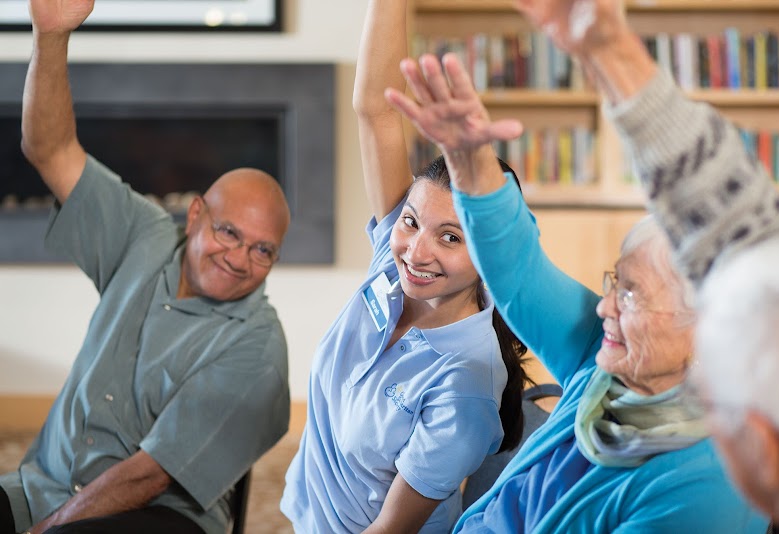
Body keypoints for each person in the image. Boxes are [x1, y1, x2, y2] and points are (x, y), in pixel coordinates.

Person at [385, 51, 768, 531]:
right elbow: (518, 268)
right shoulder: (610, 359)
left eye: (632, 296)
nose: (605, 306)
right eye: (616, 283)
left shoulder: (706, 487)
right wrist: (469, 158)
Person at [0, 1, 291, 533]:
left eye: (262, 249)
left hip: (158, 514)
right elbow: (50, 148)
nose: (240, 258)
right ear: (196, 214)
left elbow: (148, 477)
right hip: (41, 485)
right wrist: (50, 35)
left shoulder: (258, 349)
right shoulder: (145, 232)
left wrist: (47, 531)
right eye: (229, 232)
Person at [511, 1, 779, 530]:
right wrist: (611, 51)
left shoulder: (702, 497)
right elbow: (740, 218)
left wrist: (613, 52)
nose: (606, 306)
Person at [279, 0, 528, 532]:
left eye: (451, 237)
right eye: (411, 221)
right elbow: (375, 107)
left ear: (492, 255)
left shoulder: (465, 384)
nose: (416, 251)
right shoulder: (391, 268)